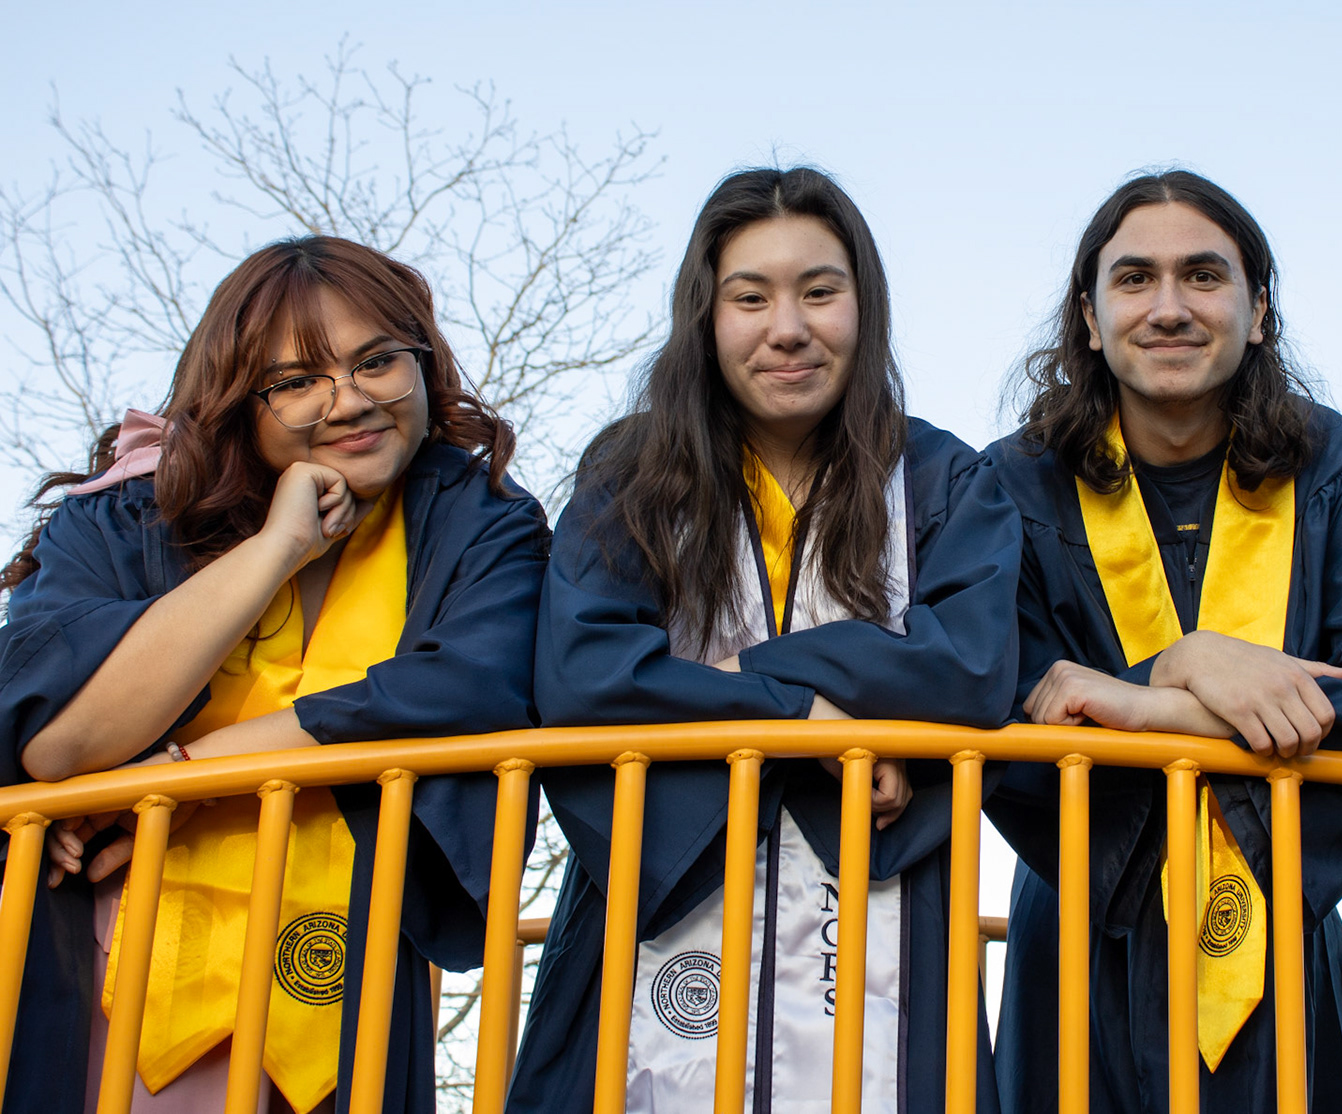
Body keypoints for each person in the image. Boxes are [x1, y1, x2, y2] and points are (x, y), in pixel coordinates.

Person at [506, 166, 1020, 1114]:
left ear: (865, 308)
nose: (788, 328)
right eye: (750, 298)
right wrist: (807, 716)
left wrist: (747, 678)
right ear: (706, 316)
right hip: (655, 923)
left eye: (820, 292)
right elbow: (586, 676)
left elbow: (973, 667)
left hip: (887, 923)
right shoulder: (635, 475)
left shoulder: (944, 477)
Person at [0, 236, 549, 1113]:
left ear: (423, 361)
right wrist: (276, 548)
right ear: (236, 400)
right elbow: (60, 741)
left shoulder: (478, 524)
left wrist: (178, 774)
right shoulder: (126, 515)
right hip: (109, 978)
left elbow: (459, 694)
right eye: (296, 381)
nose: (350, 400)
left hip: (344, 999)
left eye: (377, 361)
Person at [983, 170, 1342, 1114]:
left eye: (1203, 276)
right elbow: (1000, 701)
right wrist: (1191, 666)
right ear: (1087, 315)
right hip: (1082, 922)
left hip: (1273, 918)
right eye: (1133, 280)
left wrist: (1156, 693)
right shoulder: (1010, 487)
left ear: (1259, 310)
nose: (1168, 308)